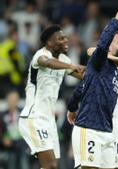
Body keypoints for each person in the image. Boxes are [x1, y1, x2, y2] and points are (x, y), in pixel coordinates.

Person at [68, 3, 118, 169]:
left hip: (106, 131)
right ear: (109, 46)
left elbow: (81, 89)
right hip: (89, 129)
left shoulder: (114, 69)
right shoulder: (99, 62)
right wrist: (116, 19)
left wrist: (72, 108)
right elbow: (102, 44)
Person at [18, 24, 84, 169]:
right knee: (50, 166)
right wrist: (70, 66)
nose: (66, 40)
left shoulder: (64, 60)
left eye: (66, 37)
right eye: (60, 38)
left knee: (52, 166)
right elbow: (47, 63)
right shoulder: (40, 55)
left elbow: (83, 74)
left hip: (49, 121)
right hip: (34, 117)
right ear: (49, 42)